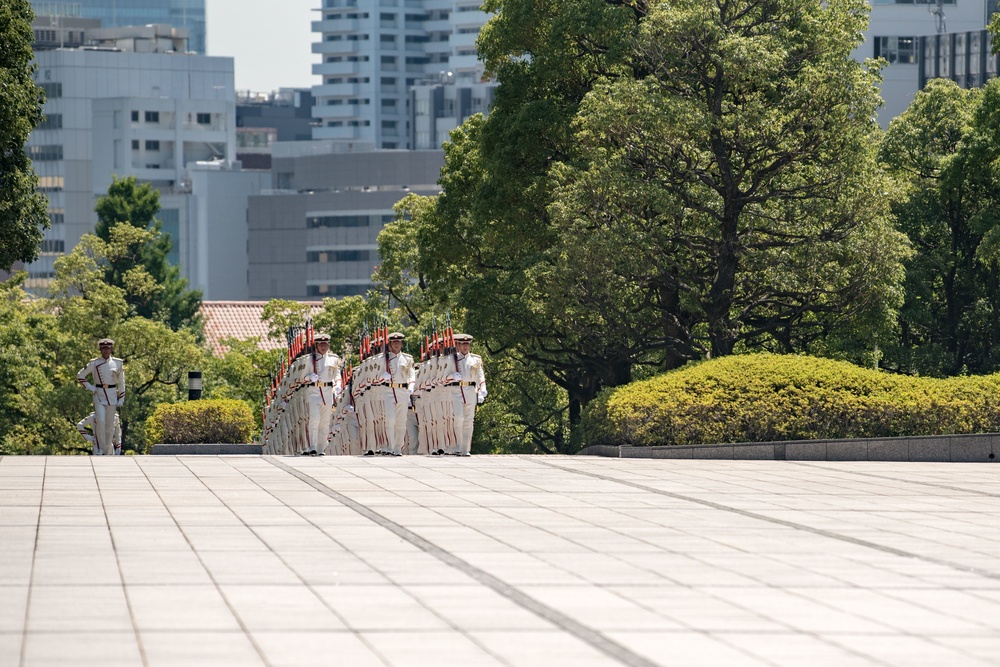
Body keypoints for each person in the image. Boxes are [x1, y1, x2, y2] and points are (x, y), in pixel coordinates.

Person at [77, 338, 125, 456]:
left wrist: (121, 398)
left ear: (111, 349)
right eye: (103, 348)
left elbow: (121, 382)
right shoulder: (94, 363)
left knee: (109, 426)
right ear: (100, 349)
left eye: (107, 348)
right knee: (100, 421)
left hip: (112, 395)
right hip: (99, 395)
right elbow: (80, 375)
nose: (105, 350)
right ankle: (99, 449)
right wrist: (91, 388)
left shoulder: (117, 363)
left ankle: (107, 449)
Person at [305, 333, 343, 455]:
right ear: (316, 345)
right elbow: (302, 377)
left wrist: (338, 384)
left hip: (327, 393)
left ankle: (321, 447)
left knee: (325, 422)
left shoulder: (333, 359)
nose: (323, 347)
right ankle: (313, 446)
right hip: (314, 392)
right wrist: (309, 377)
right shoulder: (309, 359)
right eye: (321, 344)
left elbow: (337, 374)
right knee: (315, 419)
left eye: (325, 344)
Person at [450, 333, 486, 456]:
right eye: (462, 344)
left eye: (467, 344)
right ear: (458, 345)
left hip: (471, 391)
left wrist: (482, 389)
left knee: (469, 421)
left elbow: (480, 375)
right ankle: (458, 445)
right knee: (459, 418)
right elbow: (443, 377)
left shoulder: (475, 360)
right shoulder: (452, 359)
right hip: (457, 391)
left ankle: (466, 448)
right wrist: (452, 377)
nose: (465, 347)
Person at [383, 332, 415, 456]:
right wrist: (382, 377)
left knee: (401, 422)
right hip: (388, 392)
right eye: (394, 342)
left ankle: (397, 448)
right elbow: (373, 376)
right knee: (390, 420)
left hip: (402, 391)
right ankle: (390, 446)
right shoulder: (383, 359)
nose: (396, 344)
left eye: (398, 342)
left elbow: (411, 374)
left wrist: (411, 386)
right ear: (390, 344)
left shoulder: (407, 359)